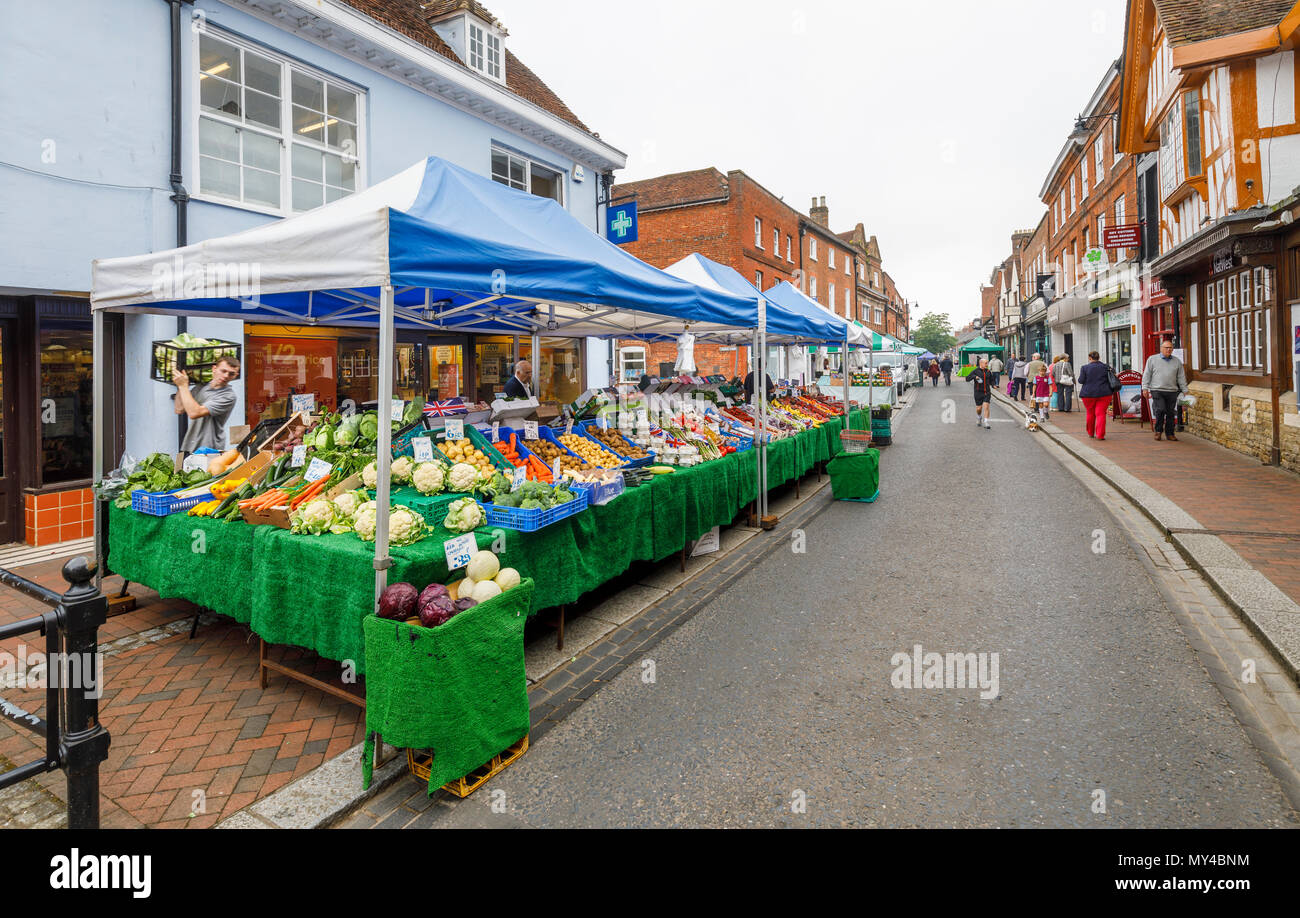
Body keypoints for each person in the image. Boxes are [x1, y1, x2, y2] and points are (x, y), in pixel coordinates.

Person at [173, 355, 240, 453]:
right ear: (214, 369)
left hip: (209, 448)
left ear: (235, 375)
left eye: (231, 374)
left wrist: (183, 386)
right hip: (189, 445)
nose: (226, 376)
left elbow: (194, 413)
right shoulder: (202, 386)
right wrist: (181, 386)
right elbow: (179, 409)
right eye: (223, 371)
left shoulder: (228, 396)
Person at [1142, 338, 1188, 442]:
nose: (1169, 350)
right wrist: (1144, 388)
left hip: (1172, 391)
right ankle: (1158, 431)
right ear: (1161, 348)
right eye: (1166, 348)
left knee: (1171, 413)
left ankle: (1170, 433)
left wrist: (1185, 390)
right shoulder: (1152, 359)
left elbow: (1181, 377)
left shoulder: (1177, 361)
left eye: (1170, 348)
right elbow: (1147, 374)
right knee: (1161, 409)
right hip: (1157, 389)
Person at [1076, 350, 1112, 440]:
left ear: (1090, 358)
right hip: (1104, 393)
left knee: (1090, 413)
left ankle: (1091, 433)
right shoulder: (1106, 367)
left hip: (1088, 394)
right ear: (1099, 358)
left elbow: (1081, 380)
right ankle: (1100, 435)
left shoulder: (1084, 368)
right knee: (1101, 414)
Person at [969, 356, 993, 429]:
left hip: (987, 392)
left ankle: (986, 422)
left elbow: (992, 380)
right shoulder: (975, 371)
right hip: (978, 392)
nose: (987, 364)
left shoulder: (988, 371)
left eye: (987, 363)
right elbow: (967, 378)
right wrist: (974, 377)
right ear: (981, 363)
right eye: (986, 363)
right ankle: (979, 417)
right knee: (979, 409)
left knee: (986, 407)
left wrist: (994, 385)